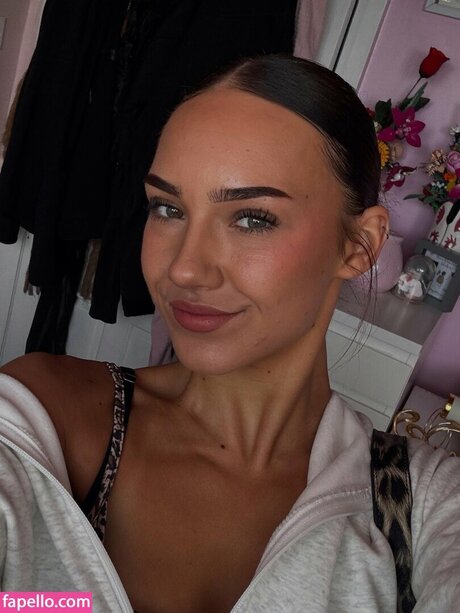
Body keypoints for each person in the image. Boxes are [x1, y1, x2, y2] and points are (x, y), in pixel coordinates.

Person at [1, 55, 459, 613]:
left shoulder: (421, 509)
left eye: (252, 218)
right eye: (167, 208)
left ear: (359, 245)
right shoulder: (43, 419)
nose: (184, 269)